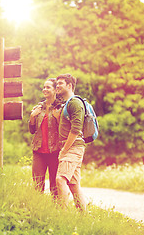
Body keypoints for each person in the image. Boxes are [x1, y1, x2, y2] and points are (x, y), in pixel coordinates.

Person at [55, 73, 87, 211]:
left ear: (69, 85)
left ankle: (63, 215)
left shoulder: (75, 102)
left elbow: (76, 129)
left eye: (61, 83)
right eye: (57, 84)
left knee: (60, 179)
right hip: (72, 147)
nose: (57, 86)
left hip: (73, 147)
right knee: (74, 184)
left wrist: (64, 150)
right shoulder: (67, 104)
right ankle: (84, 216)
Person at [29, 78, 61, 197]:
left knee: (55, 184)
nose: (45, 89)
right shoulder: (38, 108)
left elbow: (63, 131)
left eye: (48, 87)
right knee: (37, 183)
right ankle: (38, 209)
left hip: (55, 151)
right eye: (44, 87)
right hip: (38, 151)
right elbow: (32, 131)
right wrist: (32, 117)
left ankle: (56, 209)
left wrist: (58, 118)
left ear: (55, 90)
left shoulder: (60, 108)